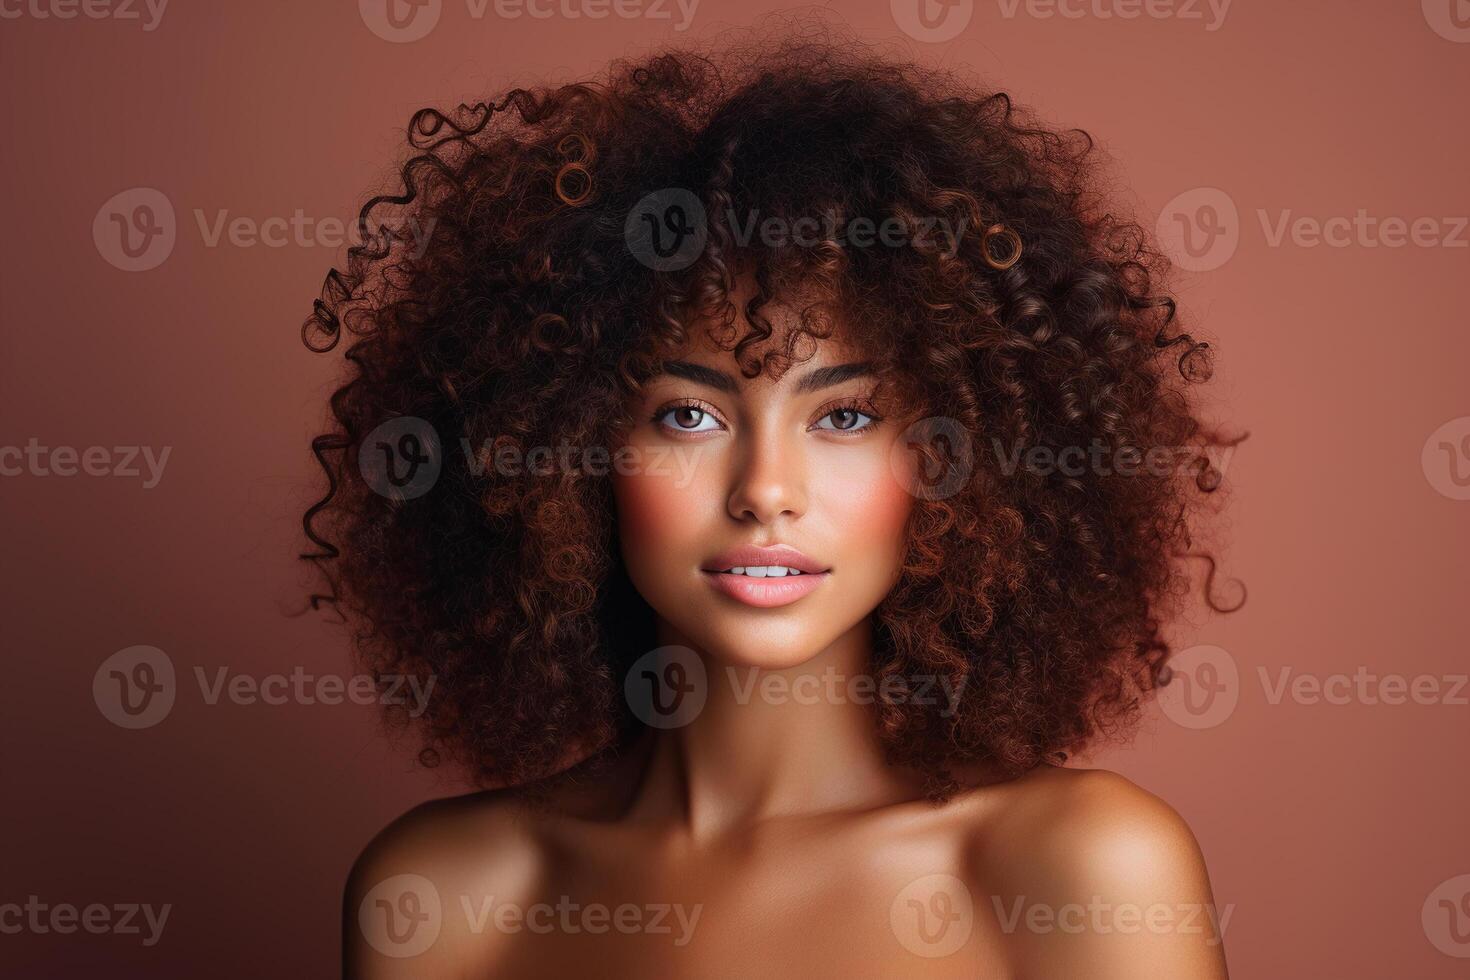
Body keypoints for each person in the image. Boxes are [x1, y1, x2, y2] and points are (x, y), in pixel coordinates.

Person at [302, 27, 1239, 977]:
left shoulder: (1078, 870)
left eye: (844, 418)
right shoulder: (445, 896)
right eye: (689, 417)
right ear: (564, 450)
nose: (766, 493)